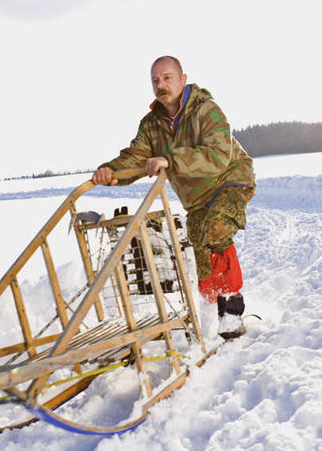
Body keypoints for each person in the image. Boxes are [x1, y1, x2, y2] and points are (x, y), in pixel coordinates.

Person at [92, 56, 255, 336]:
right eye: (155, 80)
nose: (161, 84)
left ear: (183, 79)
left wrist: (170, 159)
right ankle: (211, 312)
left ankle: (231, 313)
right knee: (200, 244)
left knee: (215, 230)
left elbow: (217, 155)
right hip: (197, 197)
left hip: (229, 181)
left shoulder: (206, 110)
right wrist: (110, 171)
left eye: (167, 78)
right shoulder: (152, 124)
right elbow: (137, 156)